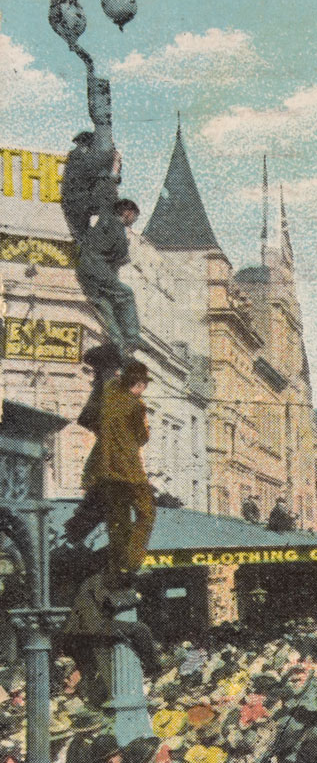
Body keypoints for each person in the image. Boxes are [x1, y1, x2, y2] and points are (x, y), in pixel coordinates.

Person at [80, 360, 154, 591]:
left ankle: (117, 571)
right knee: (147, 512)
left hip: (102, 471)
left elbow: (89, 419)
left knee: (117, 523)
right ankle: (131, 562)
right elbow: (142, 438)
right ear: (140, 384)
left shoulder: (109, 393)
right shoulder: (136, 405)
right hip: (128, 471)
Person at [75, 196, 146, 361]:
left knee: (105, 306)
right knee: (126, 294)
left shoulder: (104, 221)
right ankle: (132, 336)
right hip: (97, 269)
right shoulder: (116, 225)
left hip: (84, 271)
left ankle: (118, 345)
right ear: (128, 213)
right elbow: (120, 254)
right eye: (135, 216)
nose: (134, 221)